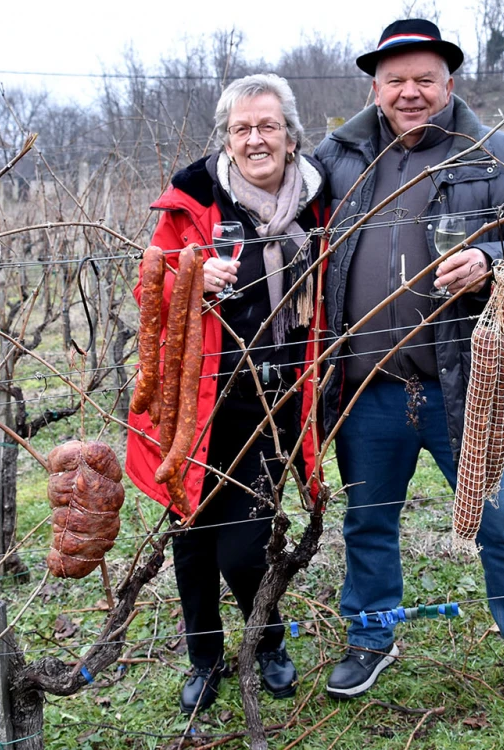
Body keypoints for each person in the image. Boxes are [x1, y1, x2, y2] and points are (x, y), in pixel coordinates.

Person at [313, 19, 504, 722]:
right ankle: (372, 637)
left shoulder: (500, 158)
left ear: (449, 83)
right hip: (368, 389)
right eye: (395, 80)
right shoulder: (340, 159)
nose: (410, 92)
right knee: (368, 521)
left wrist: (499, 266)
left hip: (468, 388)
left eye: (423, 79)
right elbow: (269, 202)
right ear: (374, 87)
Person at [125, 74, 326, 714]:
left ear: (291, 137)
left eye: (267, 126)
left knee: (245, 547)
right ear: (227, 138)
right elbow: (147, 292)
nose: (255, 138)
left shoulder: (320, 206)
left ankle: (265, 641)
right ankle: (205, 659)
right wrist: (190, 275)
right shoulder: (192, 202)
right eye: (242, 128)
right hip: (197, 402)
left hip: (274, 402)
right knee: (192, 536)